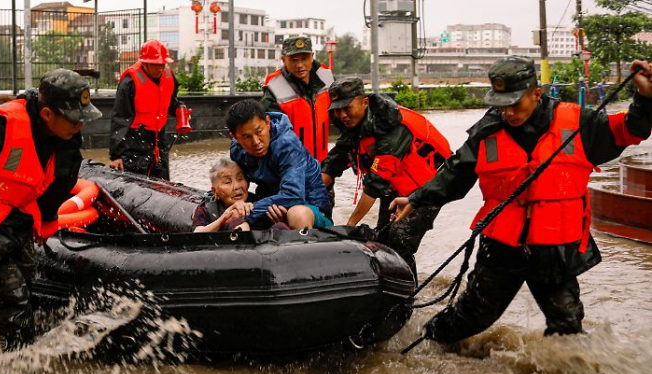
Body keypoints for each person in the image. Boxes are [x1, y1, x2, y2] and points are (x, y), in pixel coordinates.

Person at [391, 56, 652, 344]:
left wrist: (645, 97)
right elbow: (454, 173)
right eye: (503, 104)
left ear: (536, 94)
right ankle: (427, 343)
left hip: (556, 246)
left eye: (516, 103)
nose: (509, 112)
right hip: (502, 244)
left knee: (567, 324)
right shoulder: (486, 131)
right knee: (472, 316)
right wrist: (416, 198)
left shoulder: (578, 122)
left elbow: (631, 130)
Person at [0, 69, 102, 351]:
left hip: (14, 216)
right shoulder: (0, 127)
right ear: (47, 115)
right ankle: (18, 369)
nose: (80, 125)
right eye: (74, 119)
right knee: (13, 298)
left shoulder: (67, 135)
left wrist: (47, 220)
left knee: (25, 280)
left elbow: (62, 180)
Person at [320, 77, 451, 274]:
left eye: (347, 108)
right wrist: (311, 192)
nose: (342, 115)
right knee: (383, 241)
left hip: (428, 188)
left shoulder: (392, 129)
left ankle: (407, 298)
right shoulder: (356, 127)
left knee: (399, 240)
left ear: (364, 102)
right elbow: (333, 163)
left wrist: (349, 226)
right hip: (395, 188)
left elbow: (374, 186)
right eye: (337, 110)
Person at [228, 99, 332, 230]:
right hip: (270, 205)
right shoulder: (237, 150)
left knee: (297, 214)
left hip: (308, 207)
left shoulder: (287, 146)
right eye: (246, 137)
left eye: (259, 131)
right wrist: (237, 206)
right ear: (235, 137)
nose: (256, 142)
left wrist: (249, 214)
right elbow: (236, 185)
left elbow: (293, 195)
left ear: (267, 122)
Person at [109, 39, 182, 180]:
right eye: (155, 65)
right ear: (145, 63)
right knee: (135, 184)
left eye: (162, 64)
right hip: (134, 141)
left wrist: (179, 109)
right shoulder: (129, 83)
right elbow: (120, 119)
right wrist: (116, 155)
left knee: (162, 182)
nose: (160, 69)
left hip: (158, 139)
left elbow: (171, 100)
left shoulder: (169, 76)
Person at [261, 36, 334, 162]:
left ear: (312, 57)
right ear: (284, 60)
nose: (300, 65)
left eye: (304, 59)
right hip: (292, 168)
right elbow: (269, 133)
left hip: (322, 165)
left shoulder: (326, 77)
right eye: (294, 60)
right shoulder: (274, 88)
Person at [191, 158, 256, 232]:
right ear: (215, 191)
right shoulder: (207, 208)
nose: (237, 187)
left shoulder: (257, 201)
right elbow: (197, 234)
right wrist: (224, 218)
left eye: (240, 179)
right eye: (227, 182)